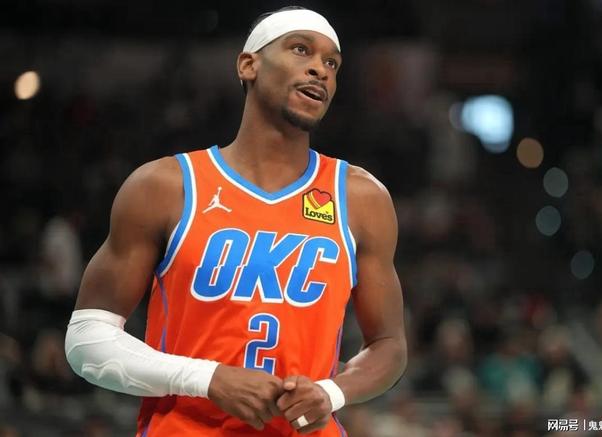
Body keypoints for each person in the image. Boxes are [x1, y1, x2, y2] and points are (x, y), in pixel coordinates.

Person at [65, 6, 407, 436]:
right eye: (301, 50)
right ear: (248, 65)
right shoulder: (165, 186)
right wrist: (207, 379)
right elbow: (87, 340)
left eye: (332, 63)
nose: (320, 69)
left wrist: (331, 392)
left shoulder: (361, 198)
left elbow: (389, 345)